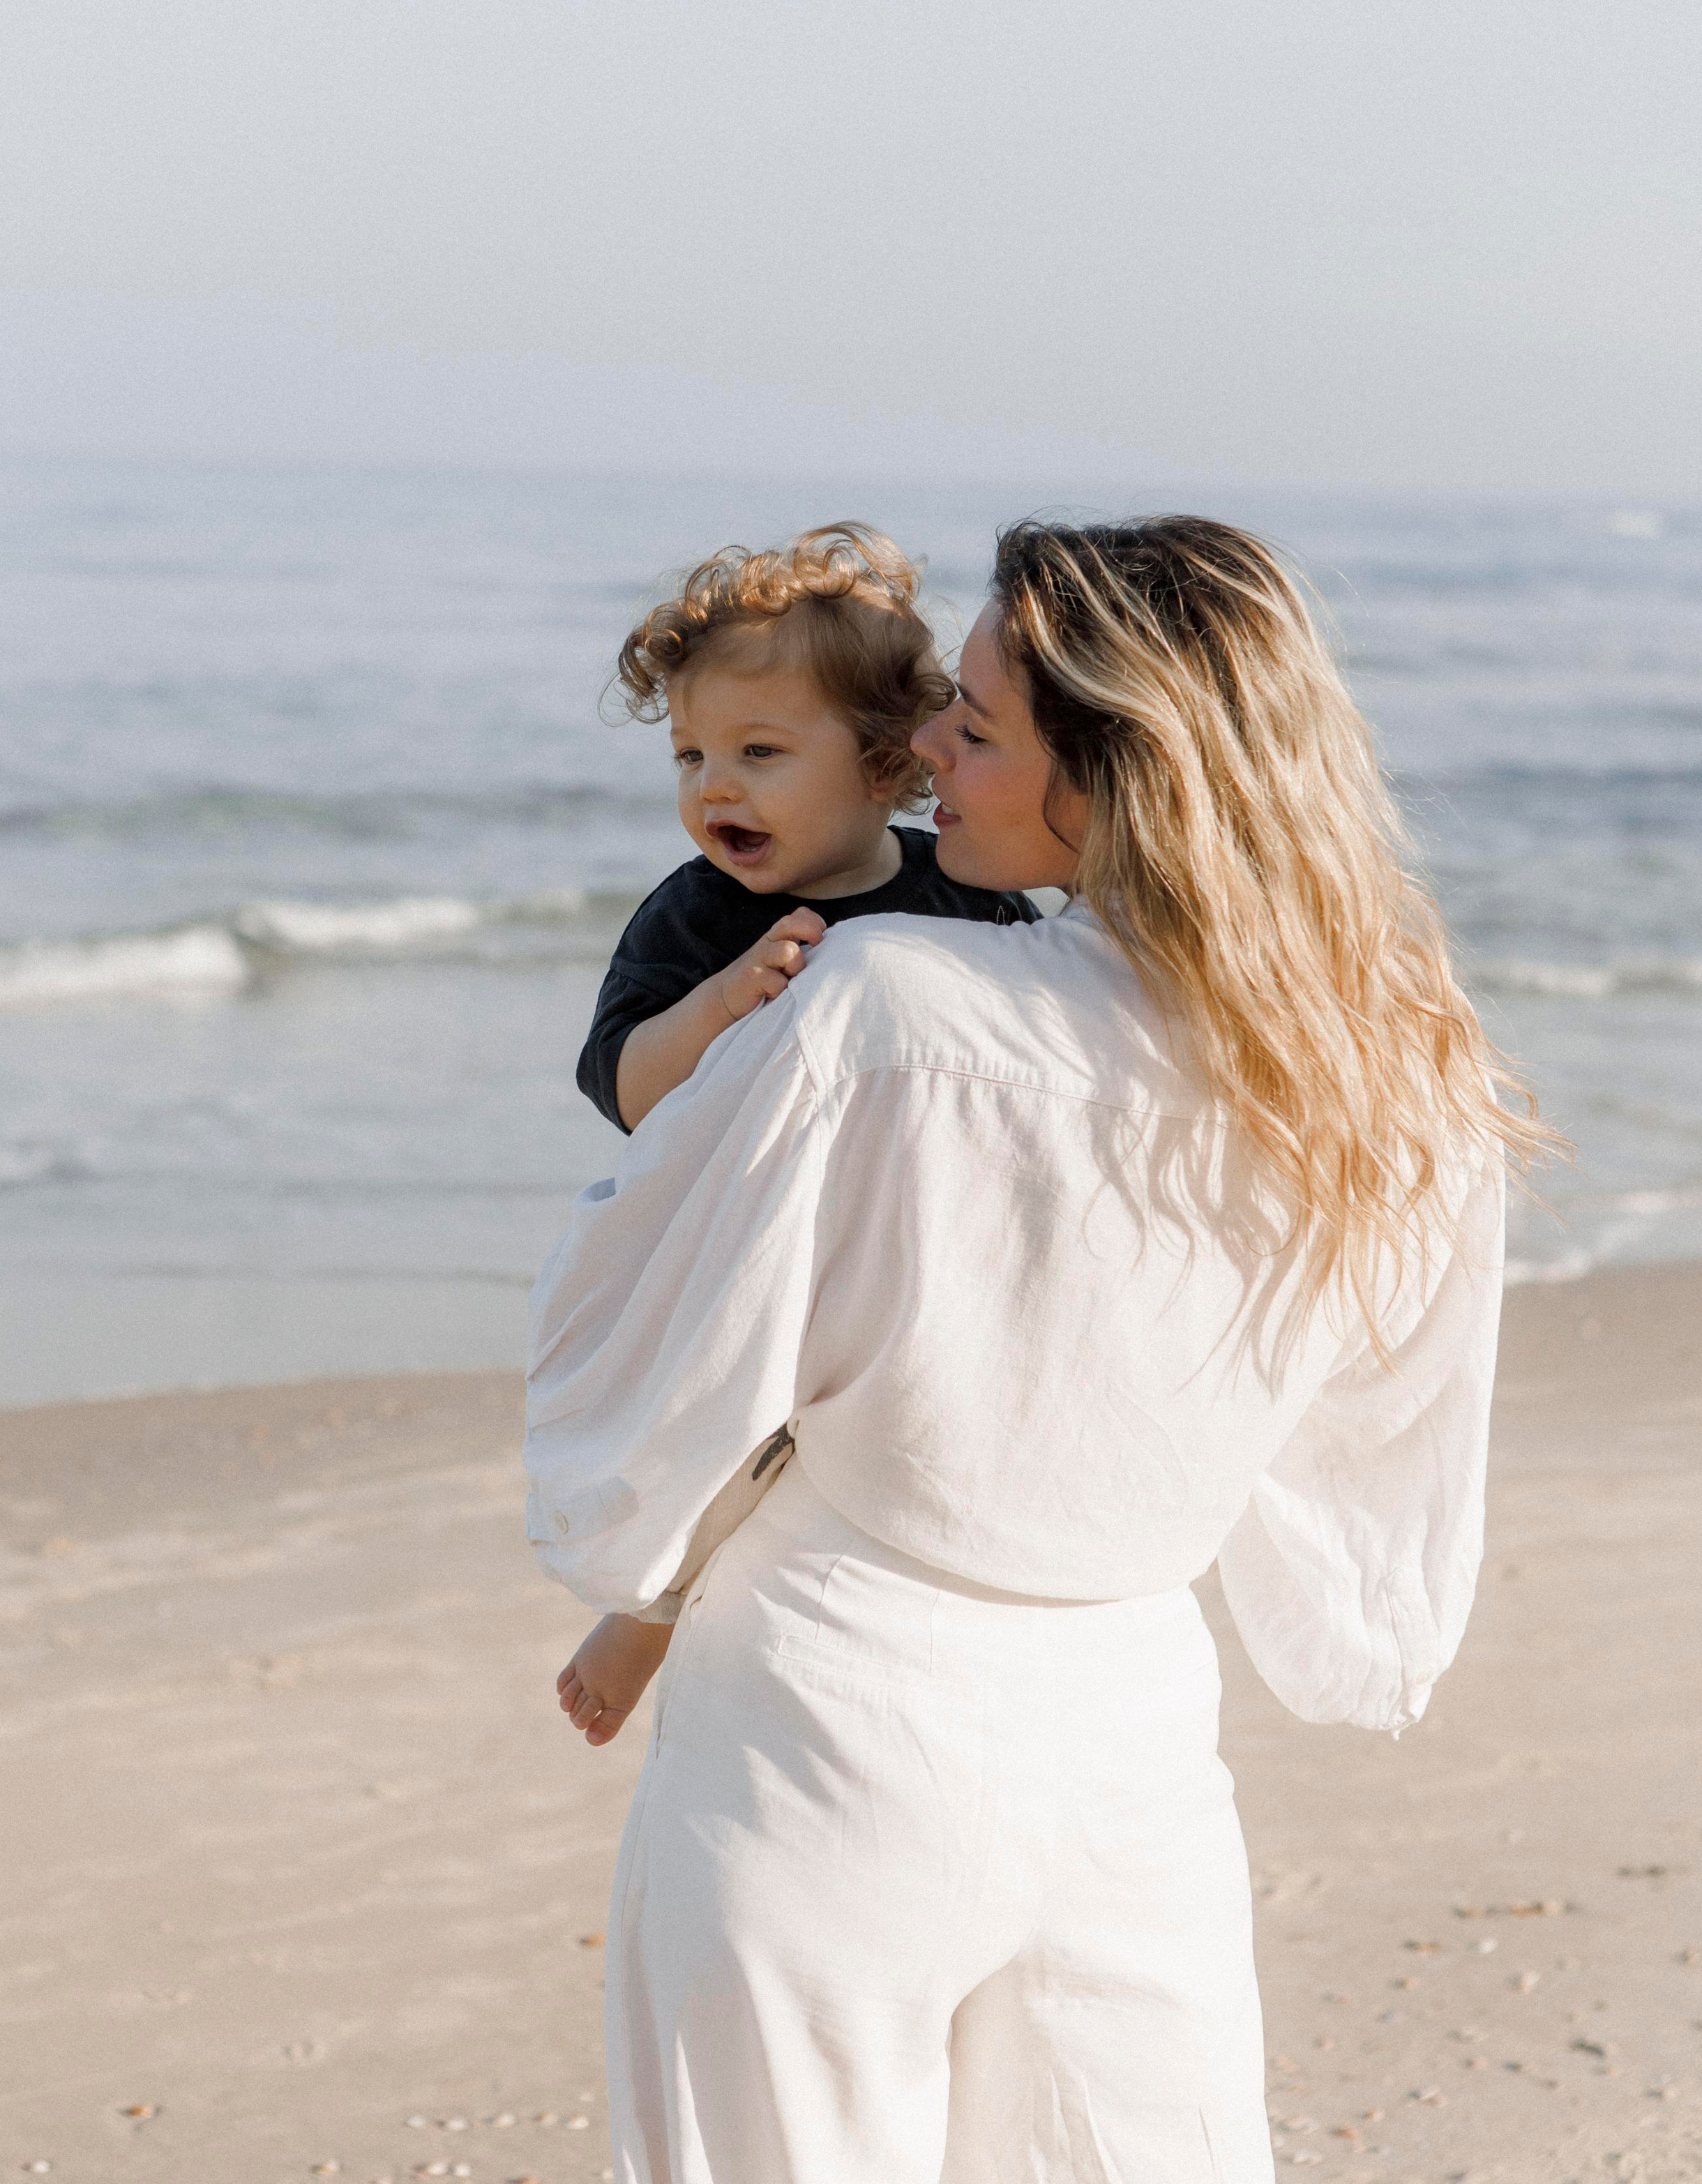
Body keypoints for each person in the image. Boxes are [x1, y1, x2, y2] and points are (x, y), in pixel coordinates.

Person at [525, 515, 1553, 2184]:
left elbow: (638, 1321)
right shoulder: (1383, 1069)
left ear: (1115, 775)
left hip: (826, 1707)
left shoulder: (883, 1007)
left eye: (976, 728)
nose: (923, 741)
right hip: (1132, 1716)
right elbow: (1379, 1422)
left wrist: (636, 1574)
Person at [560, 521, 1033, 1747]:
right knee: (732, 1430)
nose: (715, 787)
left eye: (761, 752)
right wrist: (723, 1002)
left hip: (910, 1231)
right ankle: (651, 1610)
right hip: (744, 1239)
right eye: (691, 756)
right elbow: (624, 1083)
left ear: (886, 767)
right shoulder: (700, 915)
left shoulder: (966, 894)